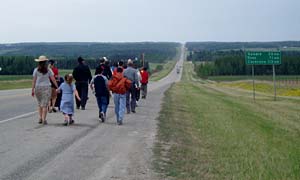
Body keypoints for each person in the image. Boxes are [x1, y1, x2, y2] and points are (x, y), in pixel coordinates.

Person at [32, 55, 58, 125]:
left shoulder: (36, 70)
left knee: (40, 104)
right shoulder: (49, 70)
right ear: (46, 62)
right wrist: (57, 86)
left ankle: (40, 118)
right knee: (45, 105)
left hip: (38, 88)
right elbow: (53, 79)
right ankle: (44, 119)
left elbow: (34, 80)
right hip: (46, 88)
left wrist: (32, 89)